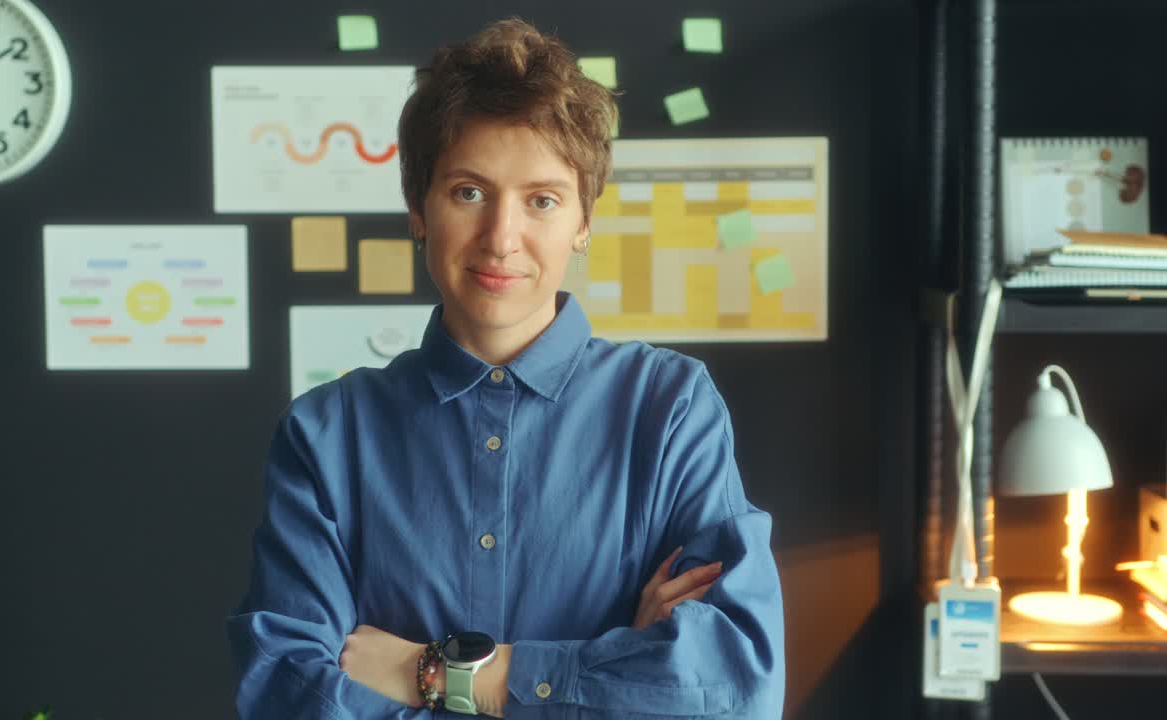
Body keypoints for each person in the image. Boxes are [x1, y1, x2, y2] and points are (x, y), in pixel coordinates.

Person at [228, 17, 784, 719]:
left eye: (542, 200)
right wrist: (617, 674)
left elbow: (735, 687)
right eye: (468, 192)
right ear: (418, 209)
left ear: (583, 221)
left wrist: (445, 674)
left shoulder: (669, 409)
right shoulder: (326, 434)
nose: (500, 237)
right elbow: (287, 694)